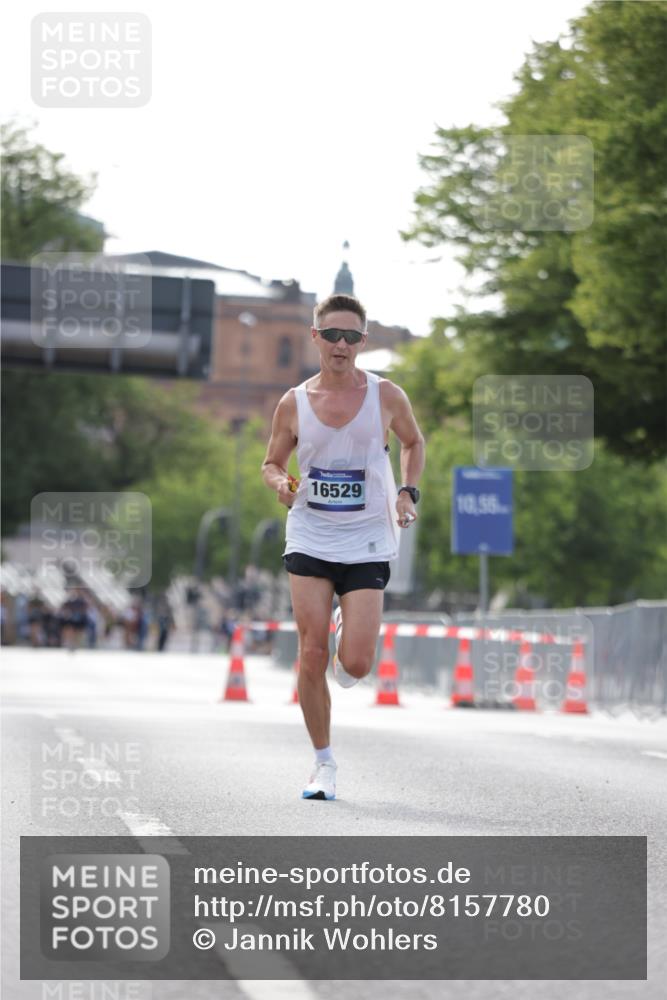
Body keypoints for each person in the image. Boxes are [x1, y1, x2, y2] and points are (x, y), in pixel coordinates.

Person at [261, 293, 425, 801]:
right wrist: (280, 484)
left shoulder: (386, 396)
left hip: (368, 536)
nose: (341, 344)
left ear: (363, 342)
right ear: (315, 337)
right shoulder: (293, 402)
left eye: (351, 336)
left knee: (355, 665)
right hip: (311, 531)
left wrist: (406, 491)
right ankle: (323, 763)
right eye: (331, 334)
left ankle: (344, 628)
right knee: (311, 653)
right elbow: (271, 463)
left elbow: (413, 442)